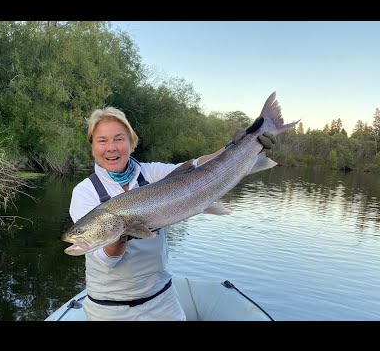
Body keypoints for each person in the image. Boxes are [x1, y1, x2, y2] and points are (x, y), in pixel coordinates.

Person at [69, 106, 276, 321]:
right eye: (102, 140)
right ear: (92, 146)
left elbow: (196, 166)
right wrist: (121, 233)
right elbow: (106, 261)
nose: (111, 148)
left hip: (162, 300)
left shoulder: (151, 173)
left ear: (131, 142)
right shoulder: (84, 192)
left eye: (119, 139)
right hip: (110, 308)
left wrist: (239, 146)